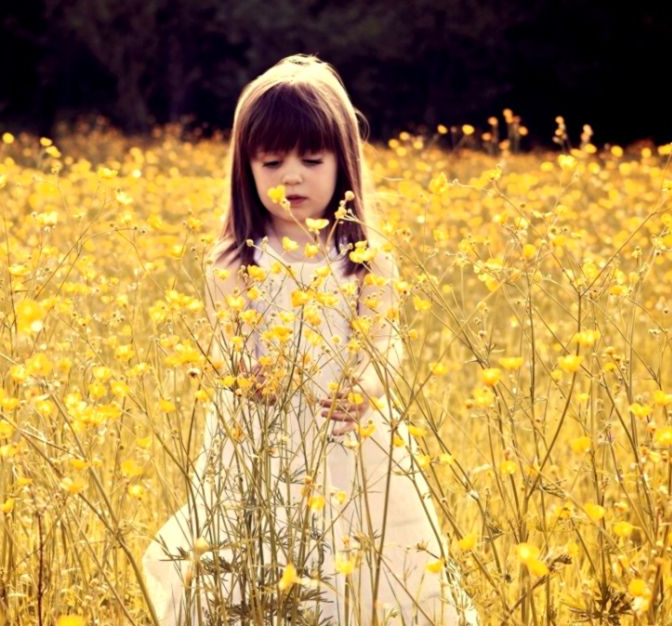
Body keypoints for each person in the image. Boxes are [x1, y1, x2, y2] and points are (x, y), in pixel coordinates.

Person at [141, 55, 479, 625]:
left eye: (311, 160)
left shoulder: (365, 257)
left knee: (374, 565)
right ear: (244, 169)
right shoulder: (236, 260)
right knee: (256, 566)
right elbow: (229, 345)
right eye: (270, 161)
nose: (290, 177)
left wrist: (365, 389)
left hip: (350, 440)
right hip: (259, 443)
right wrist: (244, 375)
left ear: (343, 164)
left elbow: (383, 344)